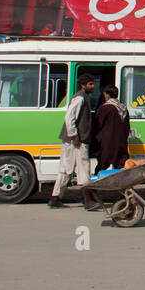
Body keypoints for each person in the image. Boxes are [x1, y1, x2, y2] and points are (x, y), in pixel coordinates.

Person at [51, 74, 96, 209]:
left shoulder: (82, 97)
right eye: (90, 84)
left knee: (66, 169)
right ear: (83, 86)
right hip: (77, 140)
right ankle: (88, 200)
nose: (93, 86)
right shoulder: (80, 98)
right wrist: (74, 135)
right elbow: (69, 117)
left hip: (73, 140)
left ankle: (55, 198)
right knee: (83, 168)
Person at [92, 85, 131, 173]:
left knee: (103, 163)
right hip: (121, 141)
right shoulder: (123, 108)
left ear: (107, 95)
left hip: (108, 142)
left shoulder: (106, 108)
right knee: (120, 163)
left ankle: (98, 181)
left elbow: (98, 124)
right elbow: (127, 126)